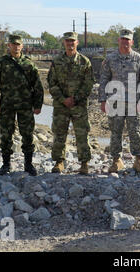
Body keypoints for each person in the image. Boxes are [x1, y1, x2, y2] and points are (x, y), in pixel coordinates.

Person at [0, 34, 44, 176]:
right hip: (7, 105)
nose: (16, 46)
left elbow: (37, 86)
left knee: (27, 134)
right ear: (9, 46)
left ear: (22, 46)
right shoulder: (1, 63)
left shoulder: (29, 64)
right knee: (6, 134)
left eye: (19, 44)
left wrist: (38, 105)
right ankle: (6, 164)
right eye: (14, 44)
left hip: (26, 105)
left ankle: (28, 164)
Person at [98, 29, 140, 174]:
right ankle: (116, 161)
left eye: (128, 39)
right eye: (123, 39)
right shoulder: (110, 59)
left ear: (132, 42)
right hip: (115, 103)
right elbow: (104, 80)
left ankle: (138, 160)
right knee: (115, 132)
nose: (125, 42)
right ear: (118, 41)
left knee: (136, 131)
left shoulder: (139, 59)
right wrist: (103, 100)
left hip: (135, 103)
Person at [47, 32, 95, 174]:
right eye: (68, 41)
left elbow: (88, 84)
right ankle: (59, 162)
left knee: (82, 134)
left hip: (79, 105)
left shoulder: (84, 62)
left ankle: (84, 163)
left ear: (77, 43)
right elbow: (51, 83)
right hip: (61, 105)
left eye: (72, 41)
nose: (70, 44)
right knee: (59, 133)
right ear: (64, 43)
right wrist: (63, 99)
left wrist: (75, 98)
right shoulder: (57, 62)